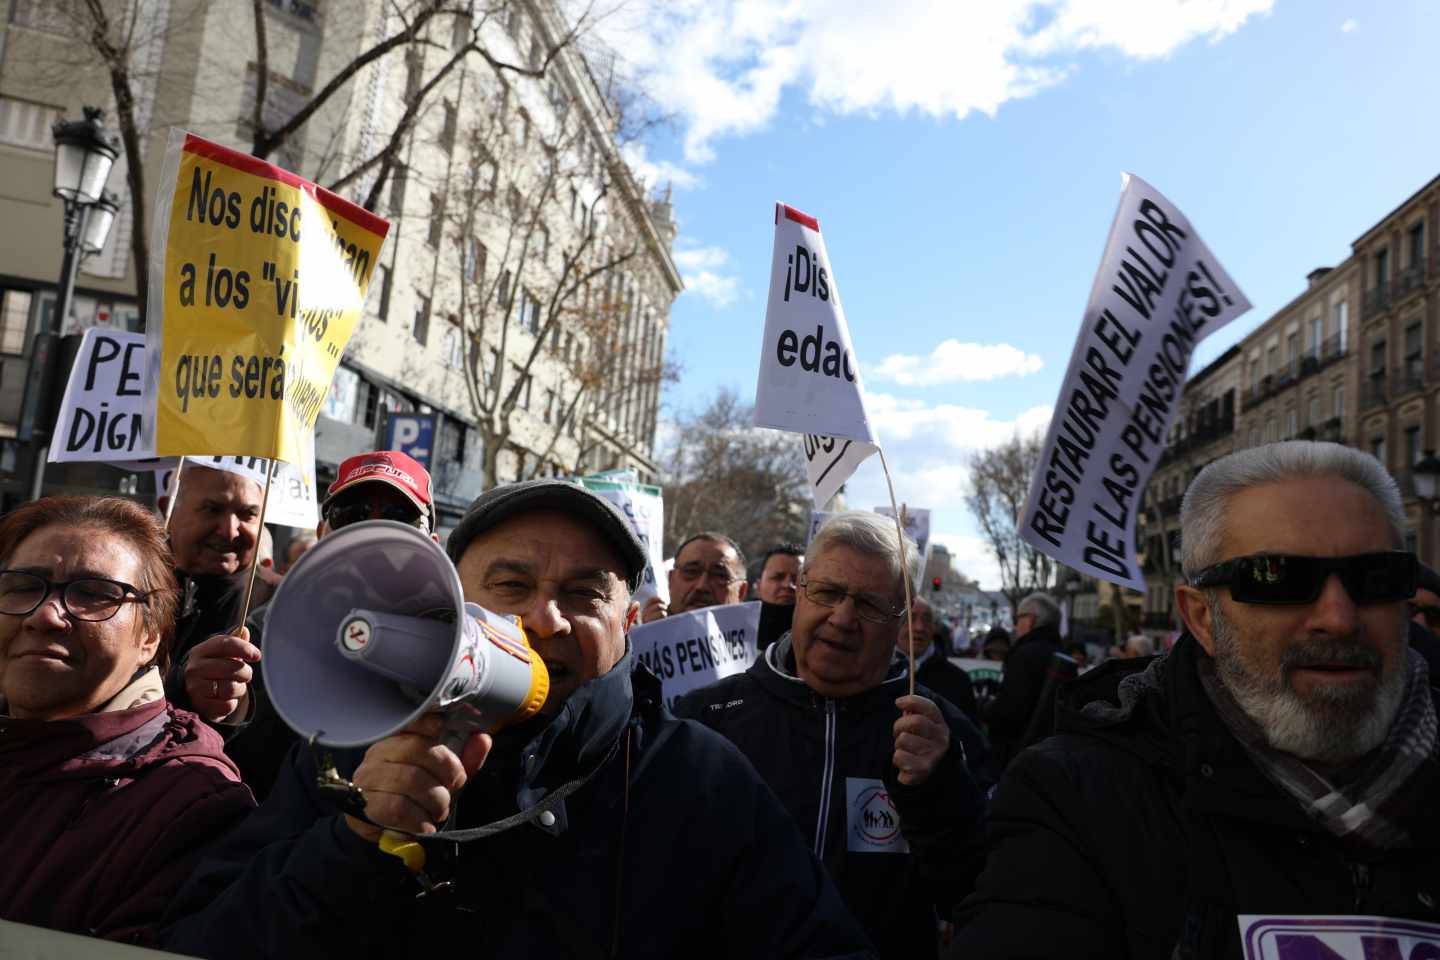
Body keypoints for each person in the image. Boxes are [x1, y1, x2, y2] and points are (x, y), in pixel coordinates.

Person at [164, 479, 874, 958]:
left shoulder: (701, 780)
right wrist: (351, 845)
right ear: (447, 595)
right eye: (510, 585)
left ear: (629, 621)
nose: (544, 619)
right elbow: (203, 937)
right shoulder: (352, 754)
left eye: (584, 594)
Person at [951, 441, 1440, 958]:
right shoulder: (1078, 799)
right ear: (1202, 619)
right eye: (1277, 577)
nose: (1339, 618)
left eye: (1376, 578)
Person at [676, 511, 989, 960]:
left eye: (869, 604)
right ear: (800, 591)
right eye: (828, 592)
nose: (842, 618)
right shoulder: (706, 716)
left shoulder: (941, 734)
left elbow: (972, 891)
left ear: (900, 618)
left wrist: (939, 790)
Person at [0, 496, 254, 944]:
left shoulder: (192, 804)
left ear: (150, 636)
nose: (45, 615)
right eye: (23, 584)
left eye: (93, 594)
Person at [183, 450, 438, 800]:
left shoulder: (450, 648)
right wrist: (205, 702)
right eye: (352, 515)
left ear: (432, 544)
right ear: (322, 533)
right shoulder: (262, 633)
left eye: (399, 517)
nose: (372, 530)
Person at [160, 461, 265, 711]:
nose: (229, 531)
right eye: (212, 509)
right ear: (169, 509)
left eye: (247, 514)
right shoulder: (127, 593)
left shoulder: (281, 606)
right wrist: (178, 686)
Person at [983, 592, 1061, 771]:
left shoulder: (1025, 655)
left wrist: (986, 708)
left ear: (1031, 620)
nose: (1016, 624)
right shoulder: (1058, 653)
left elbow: (1010, 710)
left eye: (1018, 618)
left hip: (1015, 757)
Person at [641, 531, 750, 622]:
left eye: (719, 576)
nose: (701, 586)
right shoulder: (634, 642)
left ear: (741, 591)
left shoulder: (759, 647)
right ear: (671, 581)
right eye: (691, 572)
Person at [902, 597, 979, 722]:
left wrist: (947, 739)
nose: (919, 628)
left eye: (927, 620)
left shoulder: (959, 680)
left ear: (934, 628)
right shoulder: (876, 674)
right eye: (911, 618)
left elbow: (970, 737)